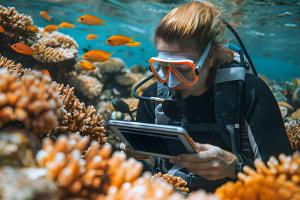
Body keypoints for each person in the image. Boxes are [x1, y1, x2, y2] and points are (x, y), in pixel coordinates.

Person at [131, 1, 292, 192]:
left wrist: (234, 168)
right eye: (163, 68)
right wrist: (138, 158)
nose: (171, 82)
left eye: (184, 69)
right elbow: (143, 173)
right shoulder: (152, 97)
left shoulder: (249, 92)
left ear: (210, 57)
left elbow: (286, 179)